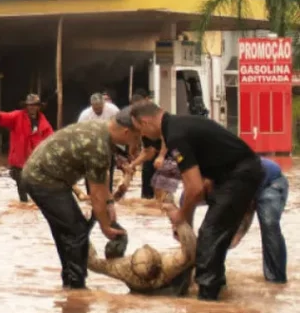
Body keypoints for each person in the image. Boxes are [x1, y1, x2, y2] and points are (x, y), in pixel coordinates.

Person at [130, 100, 264, 301]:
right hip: (228, 175)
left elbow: (195, 189)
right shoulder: (176, 126)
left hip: (240, 175)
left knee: (210, 235)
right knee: (212, 237)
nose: (142, 135)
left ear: (146, 121)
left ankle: (207, 301)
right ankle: (217, 290)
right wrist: (185, 223)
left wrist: (181, 215)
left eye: (139, 129)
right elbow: (191, 187)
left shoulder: (175, 135)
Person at [20, 111, 132, 289]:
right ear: (127, 132)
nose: (138, 141)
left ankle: (69, 281)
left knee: (65, 230)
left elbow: (101, 177)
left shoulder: (102, 132)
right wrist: (105, 226)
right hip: (43, 179)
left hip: (45, 176)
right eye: (138, 135)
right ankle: (76, 286)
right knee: (77, 230)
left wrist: (109, 204)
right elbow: (95, 193)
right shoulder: (99, 145)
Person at [198, 156, 288, 284]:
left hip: (271, 181)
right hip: (251, 180)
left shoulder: (230, 180)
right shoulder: (195, 186)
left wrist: (236, 237)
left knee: (269, 223)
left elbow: (247, 211)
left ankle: (277, 281)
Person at [87, 221, 196, 296]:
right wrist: (180, 227)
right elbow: (191, 250)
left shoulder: (121, 269)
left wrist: (84, 231)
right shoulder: (169, 265)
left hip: (147, 287)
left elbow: (93, 263)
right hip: (169, 287)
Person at [0, 94, 54, 202]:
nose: (32, 107)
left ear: (38, 106)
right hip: (18, 163)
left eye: (35, 105)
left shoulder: (44, 123)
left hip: (34, 162)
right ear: (26, 106)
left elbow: (51, 141)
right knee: (22, 190)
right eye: (30, 105)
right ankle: (24, 207)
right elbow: (4, 116)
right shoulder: (17, 116)